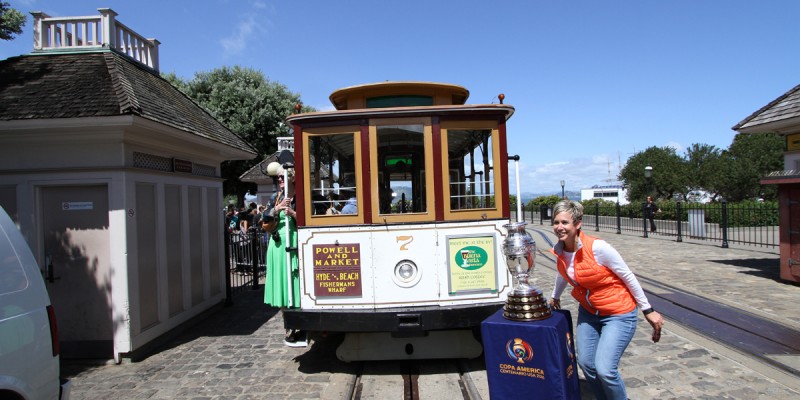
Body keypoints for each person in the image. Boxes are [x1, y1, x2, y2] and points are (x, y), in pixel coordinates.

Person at [548, 200, 663, 400]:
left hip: (618, 313)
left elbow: (627, 276)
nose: (559, 227)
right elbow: (564, 272)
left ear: (577, 224)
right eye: (556, 222)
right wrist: (554, 296)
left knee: (605, 370)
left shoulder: (598, 247)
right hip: (589, 312)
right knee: (586, 364)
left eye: (565, 222)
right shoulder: (560, 250)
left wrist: (648, 310)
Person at [262, 167, 306, 347]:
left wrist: (293, 214)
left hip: (295, 240)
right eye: (278, 177)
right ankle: (288, 326)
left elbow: (310, 221)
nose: (280, 179)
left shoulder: (302, 196)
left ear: (292, 178)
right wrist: (278, 208)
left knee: (295, 281)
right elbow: (264, 218)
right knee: (282, 285)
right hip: (278, 244)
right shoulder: (276, 197)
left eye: (283, 176)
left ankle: (299, 323)